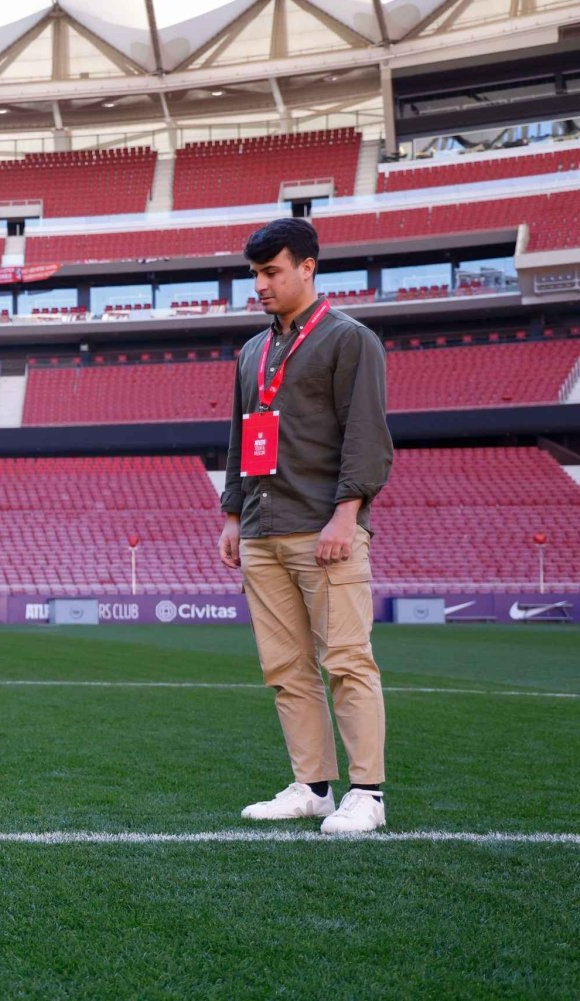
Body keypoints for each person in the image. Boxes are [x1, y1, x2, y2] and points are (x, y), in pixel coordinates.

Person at [218, 217, 394, 835]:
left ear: (308, 268)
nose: (260, 285)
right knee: (286, 668)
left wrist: (348, 513)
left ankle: (367, 793)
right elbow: (241, 439)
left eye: (271, 273)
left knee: (346, 660)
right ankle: (312, 786)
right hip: (264, 530)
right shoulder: (251, 351)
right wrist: (234, 515)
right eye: (255, 275)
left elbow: (366, 435)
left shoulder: (350, 340)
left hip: (325, 529)